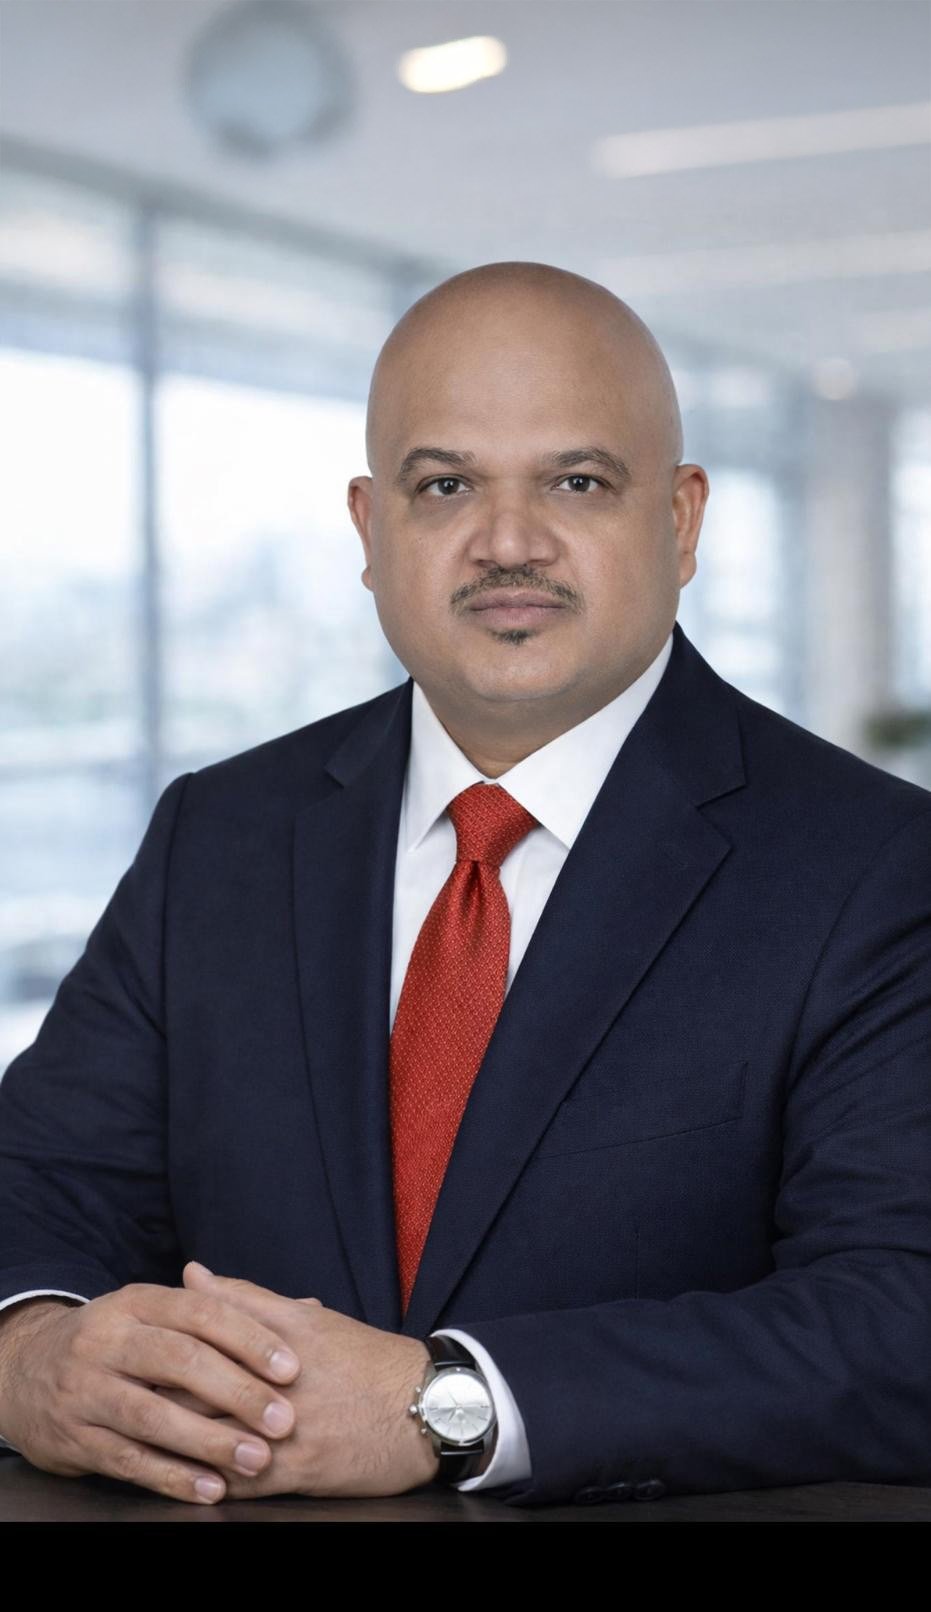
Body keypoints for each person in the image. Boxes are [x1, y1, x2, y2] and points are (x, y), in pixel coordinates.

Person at [0, 260, 929, 1510]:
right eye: (445, 485)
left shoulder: (875, 866)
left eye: (576, 481)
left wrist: (450, 1401)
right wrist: (31, 1353)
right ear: (369, 529)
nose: (507, 543)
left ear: (682, 520)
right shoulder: (217, 836)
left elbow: (898, 1318)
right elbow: (41, 1183)